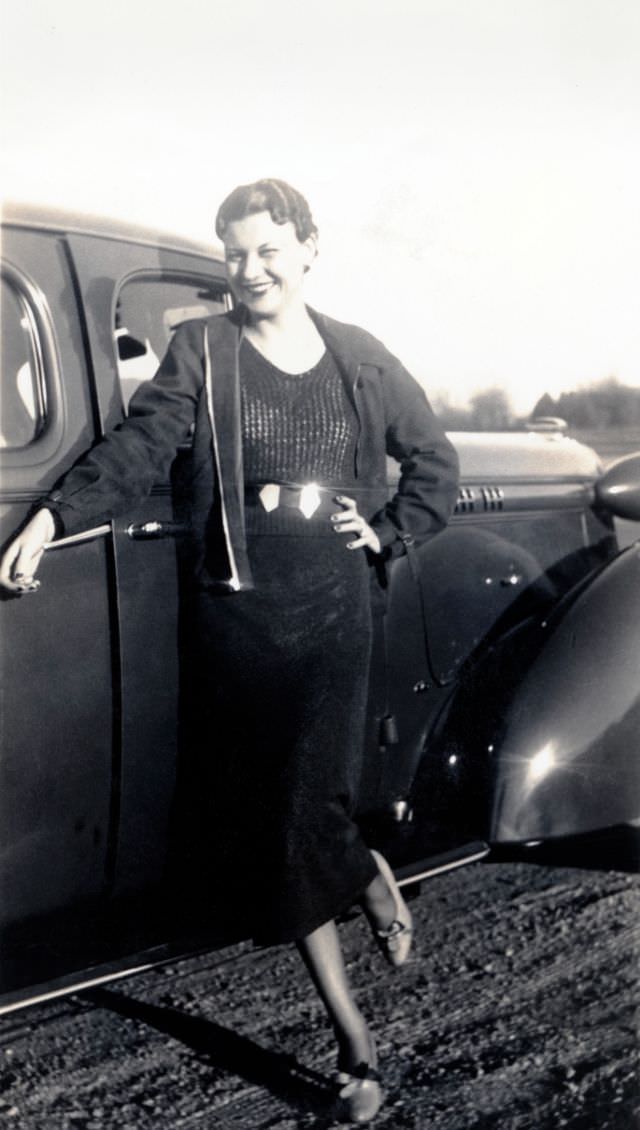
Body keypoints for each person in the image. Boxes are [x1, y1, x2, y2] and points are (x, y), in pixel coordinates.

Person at [0, 179, 459, 1123]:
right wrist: (52, 516)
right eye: (233, 253)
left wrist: (386, 528)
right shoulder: (201, 352)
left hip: (335, 616)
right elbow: (141, 444)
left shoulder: (359, 358)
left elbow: (434, 462)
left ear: (308, 248)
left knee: (296, 815)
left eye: (266, 250)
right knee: (285, 816)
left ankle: (355, 1048)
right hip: (240, 620)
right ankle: (363, 890)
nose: (248, 270)